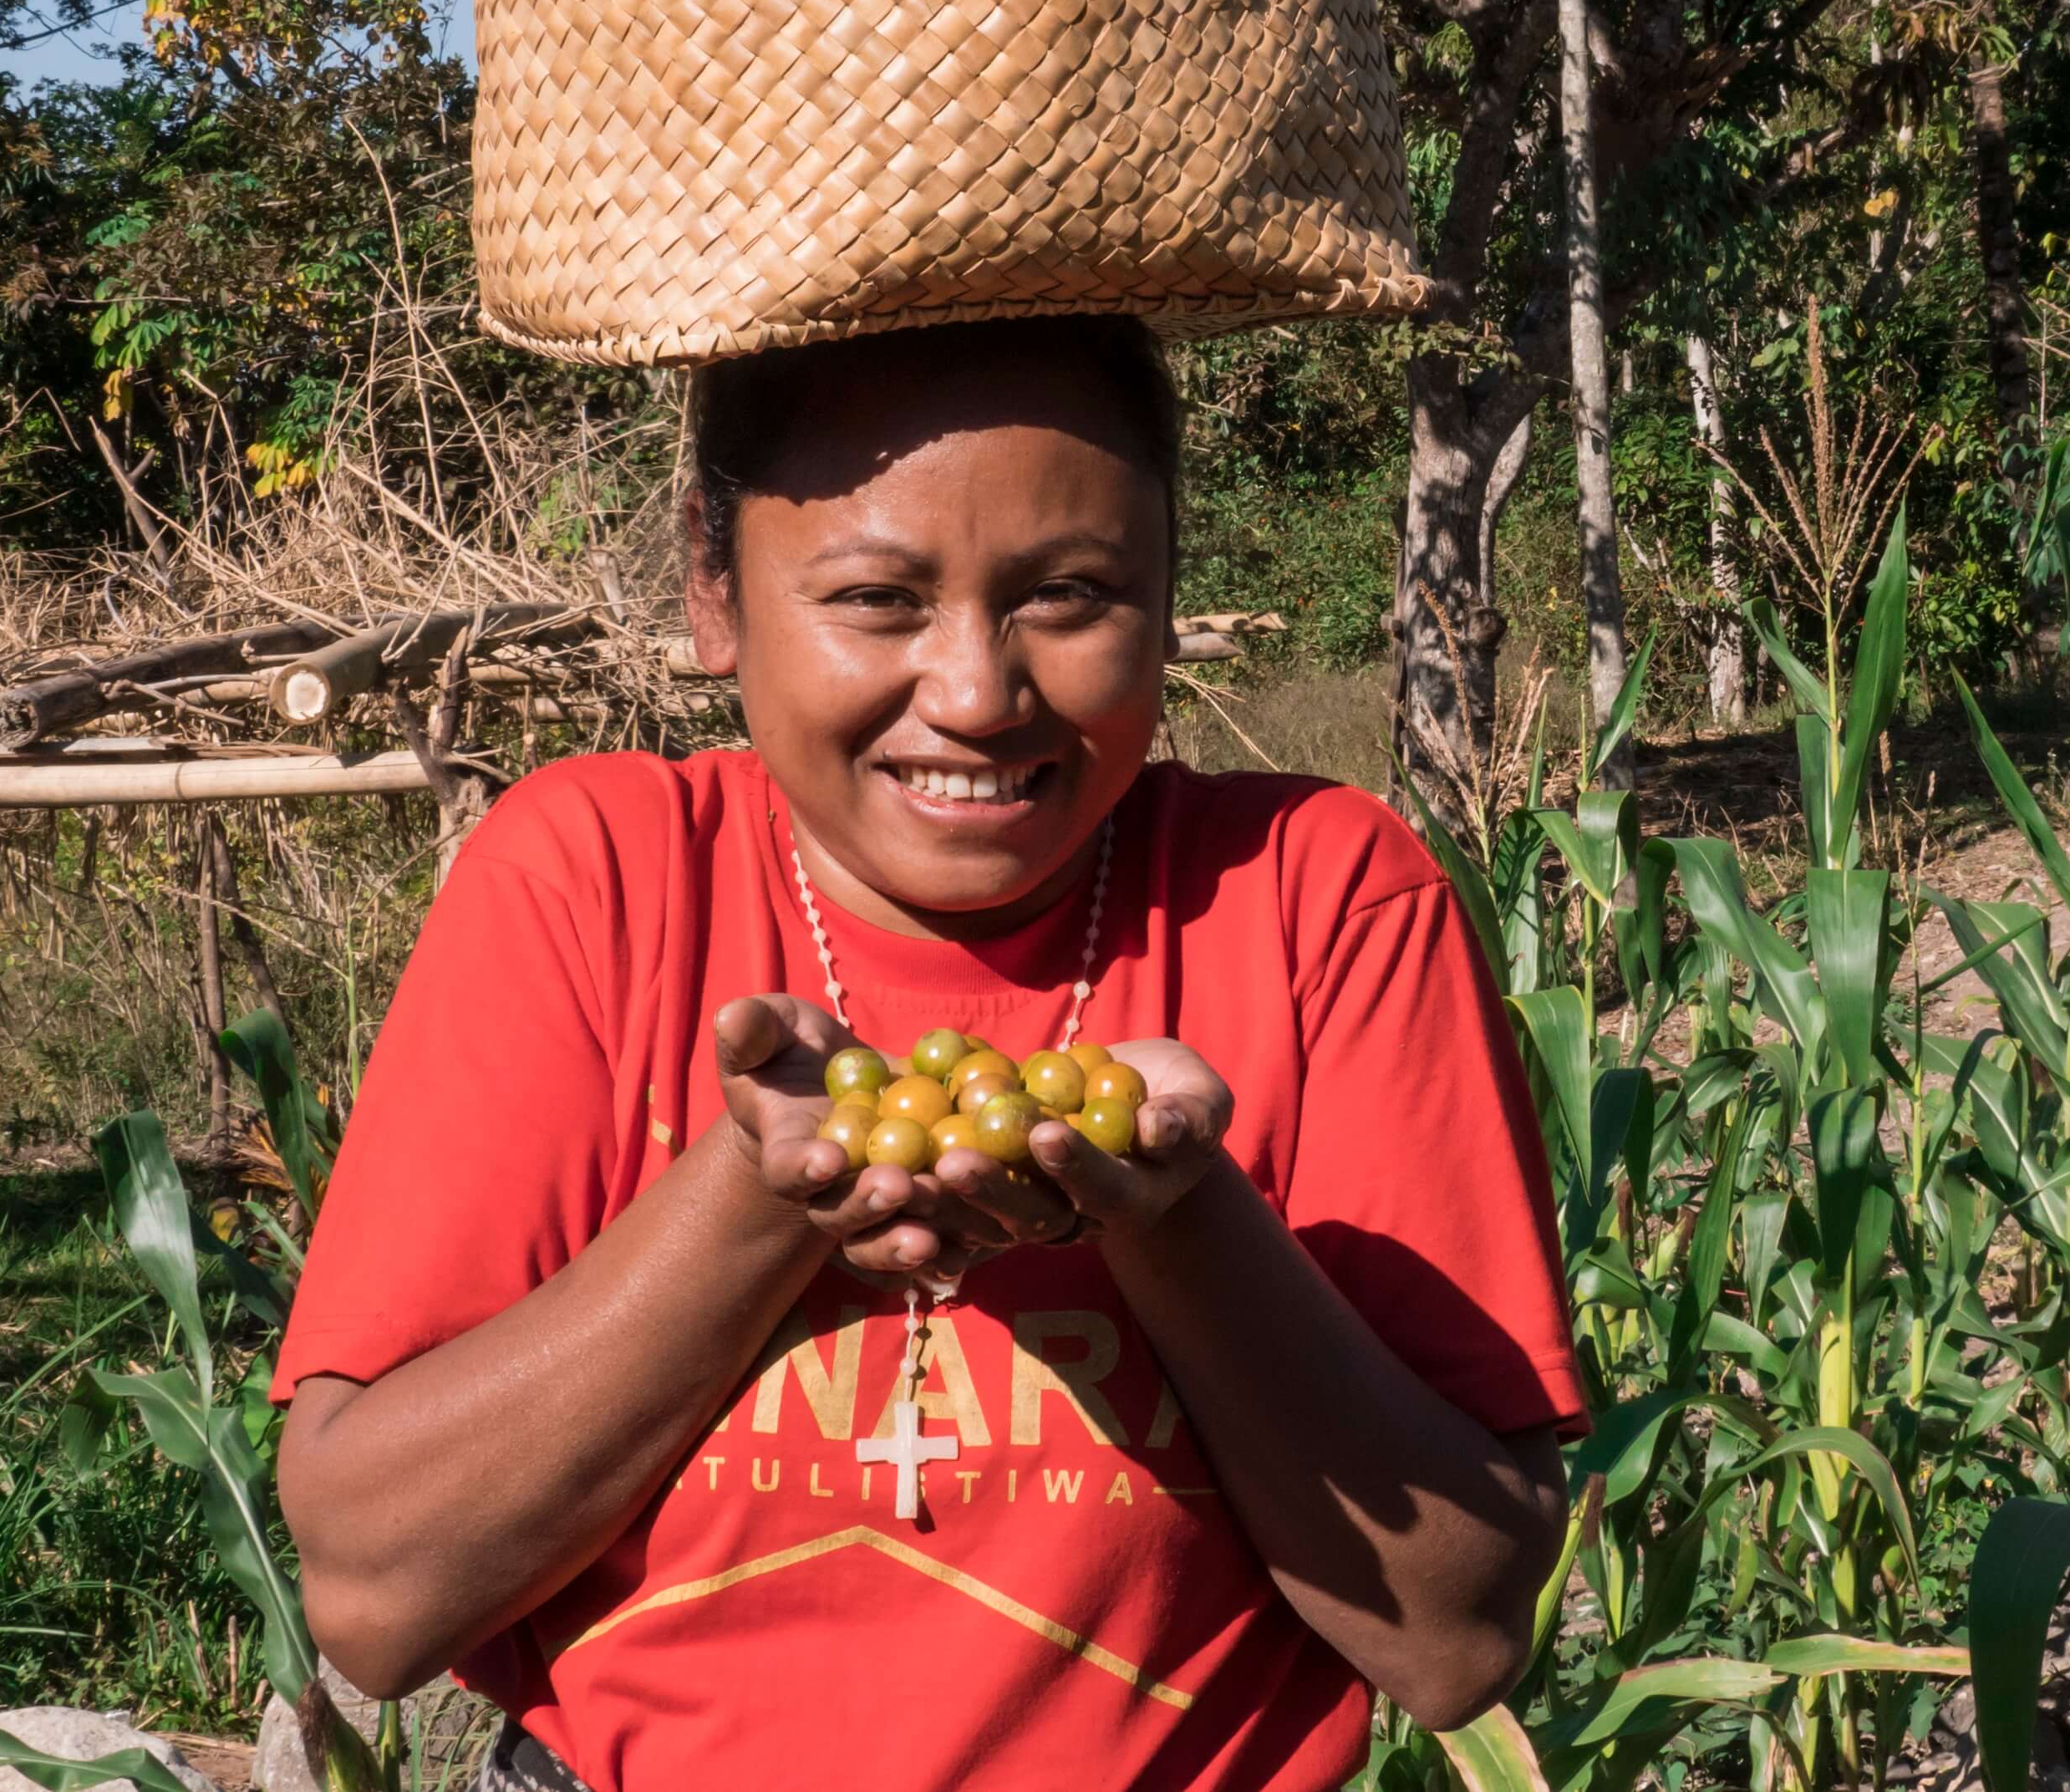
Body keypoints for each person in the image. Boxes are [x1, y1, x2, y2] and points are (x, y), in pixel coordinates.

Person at [269, 316, 1583, 1792]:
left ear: (1167, 594)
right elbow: (376, 1600)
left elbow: (1459, 1633)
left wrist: (1183, 1220)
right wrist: (754, 1204)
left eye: (1071, 595)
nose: (973, 692)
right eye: (878, 598)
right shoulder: (594, 883)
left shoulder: (1316, 897)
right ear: (719, 597)